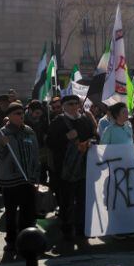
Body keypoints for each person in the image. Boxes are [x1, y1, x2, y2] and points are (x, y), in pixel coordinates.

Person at [0, 102, 40, 252]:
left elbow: (35, 154)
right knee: (11, 213)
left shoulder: (29, 131)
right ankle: (11, 240)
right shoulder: (1, 133)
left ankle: (26, 239)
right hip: (10, 180)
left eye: (22, 113)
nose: (20, 116)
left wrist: (36, 175)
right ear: (9, 116)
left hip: (28, 179)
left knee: (28, 212)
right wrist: (2, 145)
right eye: (17, 114)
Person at [47, 94, 96, 240]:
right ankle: (67, 230)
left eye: (76, 103)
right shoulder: (57, 122)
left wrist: (88, 143)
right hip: (65, 170)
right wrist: (65, 138)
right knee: (66, 202)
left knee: (83, 200)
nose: (74, 106)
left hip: (83, 168)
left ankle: (82, 229)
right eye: (70, 104)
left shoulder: (85, 120)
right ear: (63, 107)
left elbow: (94, 136)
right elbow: (49, 143)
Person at [24, 100, 49, 185]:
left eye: (40, 113)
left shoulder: (43, 117)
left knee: (43, 168)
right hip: (28, 149)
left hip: (41, 148)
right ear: (30, 111)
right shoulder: (23, 120)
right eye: (37, 113)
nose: (39, 115)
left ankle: (42, 184)